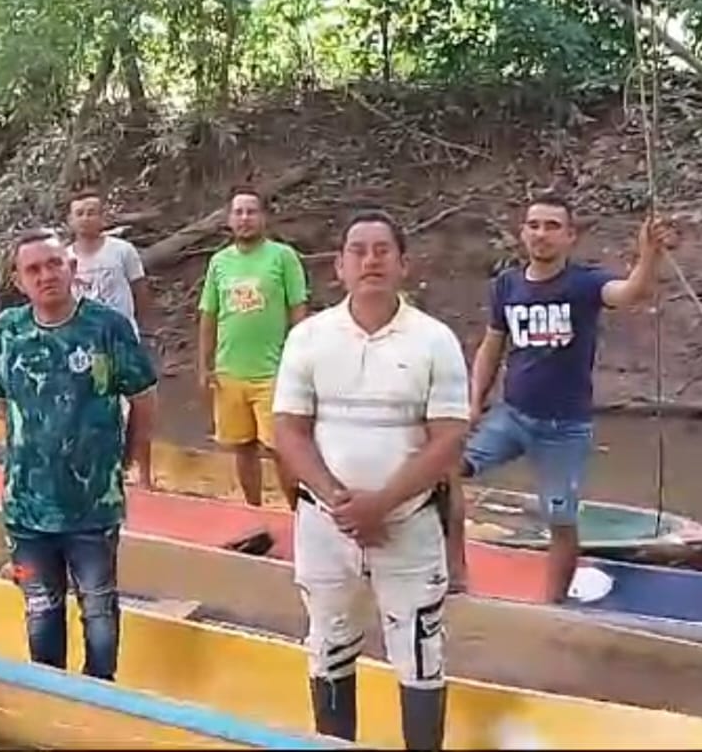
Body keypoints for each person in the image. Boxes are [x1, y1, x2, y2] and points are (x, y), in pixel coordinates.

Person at [272, 210, 469, 750]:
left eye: (383, 249)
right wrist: (343, 504)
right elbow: (289, 430)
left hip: (408, 525)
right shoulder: (309, 338)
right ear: (339, 267)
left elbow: (449, 436)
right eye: (358, 250)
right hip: (324, 523)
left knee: (421, 654)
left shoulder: (435, 341)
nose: (371, 259)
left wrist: (380, 504)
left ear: (404, 265)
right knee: (329, 644)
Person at [447, 192, 678, 603]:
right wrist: (473, 401)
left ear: (570, 237)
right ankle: (454, 579)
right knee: (442, 477)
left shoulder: (584, 283)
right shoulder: (508, 285)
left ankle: (552, 607)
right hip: (511, 416)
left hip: (564, 427)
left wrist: (648, 256)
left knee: (561, 518)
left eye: (553, 226)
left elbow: (630, 293)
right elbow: (491, 345)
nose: (542, 234)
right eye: (534, 225)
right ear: (522, 233)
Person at [0, 231, 157, 681]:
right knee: (40, 608)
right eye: (33, 270)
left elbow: (143, 396)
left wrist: (127, 460)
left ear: (72, 269)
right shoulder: (8, 329)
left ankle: (100, 693)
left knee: (98, 608)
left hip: (93, 505)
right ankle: (49, 691)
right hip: (25, 506)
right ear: (19, 281)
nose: (46, 276)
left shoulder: (107, 328)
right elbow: (2, 397)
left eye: (53, 264)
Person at [197, 185, 309, 509]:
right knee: (241, 446)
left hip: (273, 372)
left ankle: (296, 512)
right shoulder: (219, 263)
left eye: (251, 211)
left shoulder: (283, 257)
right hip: (230, 371)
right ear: (229, 219)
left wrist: (299, 361)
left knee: (281, 449)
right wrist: (204, 365)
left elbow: (298, 310)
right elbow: (209, 315)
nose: (245, 218)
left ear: (264, 217)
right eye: (238, 212)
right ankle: (253, 510)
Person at [65, 189, 152, 337]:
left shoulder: (123, 250)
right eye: (79, 214)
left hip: (122, 334)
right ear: (70, 220)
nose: (85, 218)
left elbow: (140, 289)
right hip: (82, 336)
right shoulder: (63, 258)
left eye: (91, 213)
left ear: (102, 218)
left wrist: (142, 326)